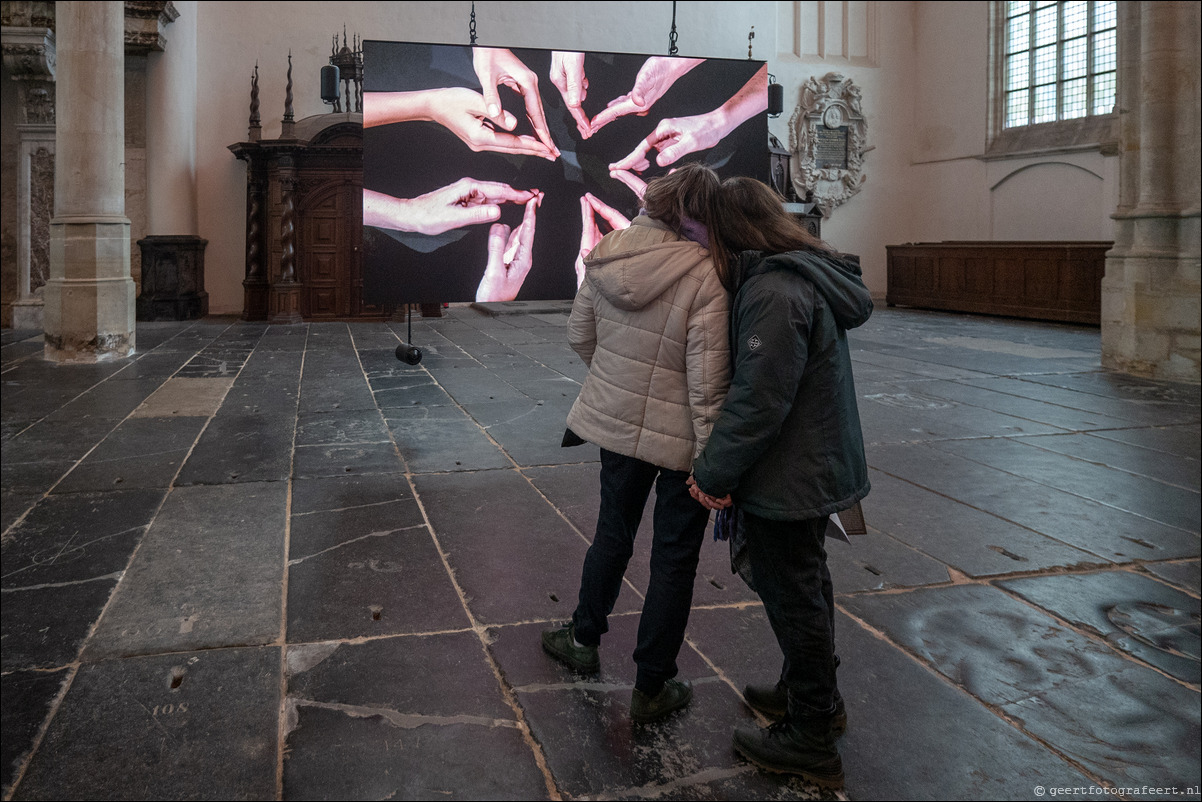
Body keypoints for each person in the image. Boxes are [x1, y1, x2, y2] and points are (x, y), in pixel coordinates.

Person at [688, 176, 872, 789]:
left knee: (793, 594)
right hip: (812, 462)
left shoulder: (773, 289)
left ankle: (811, 734)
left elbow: (758, 400)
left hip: (793, 470)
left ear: (729, 230)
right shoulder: (801, 273)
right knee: (806, 583)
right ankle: (809, 692)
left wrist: (712, 471)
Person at [541, 163, 731, 724]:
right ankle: (652, 684)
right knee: (674, 560)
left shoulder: (606, 252)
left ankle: (582, 638)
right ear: (695, 214)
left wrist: (617, 383)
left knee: (612, 533)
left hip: (618, 429)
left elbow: (580, 336)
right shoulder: (706, 272)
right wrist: (712, 457)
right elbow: (707, 382)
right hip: (682, 445)